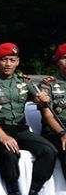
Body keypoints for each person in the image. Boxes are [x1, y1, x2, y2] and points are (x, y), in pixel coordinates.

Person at [0, 42, 60, 195]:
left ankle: (32, 194)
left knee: (49, 151)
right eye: (4, 60)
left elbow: (37, 98)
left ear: (18, 62)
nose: (8, 64)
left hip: (19, 128)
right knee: (9, 152)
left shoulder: (23, 81)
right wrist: (2, 136)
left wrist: (42, 98)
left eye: (12, 60)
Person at [37, 43, 66, 182]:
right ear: (58, 62)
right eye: (65, 58)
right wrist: (62, 134)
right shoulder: (48, 84)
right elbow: (48, 115)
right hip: (55, 132)